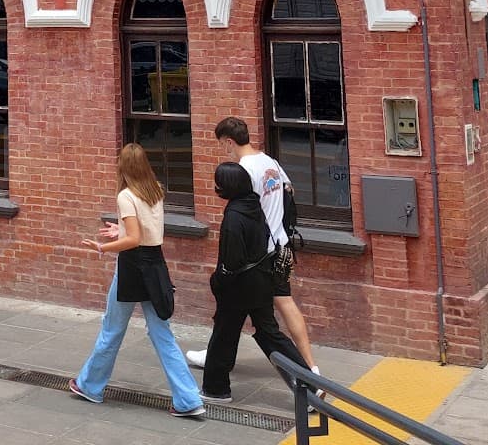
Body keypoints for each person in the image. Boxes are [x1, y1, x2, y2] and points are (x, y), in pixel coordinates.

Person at [69, 143, 205, 419]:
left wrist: (102, 247)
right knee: (162, 334)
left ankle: (90, 385)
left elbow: (133, 239)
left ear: (123, 166)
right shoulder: (155, 190)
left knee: (112, 329)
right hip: (155, 265)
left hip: (132, 267)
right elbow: (145, 229)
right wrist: (121, 228)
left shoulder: (126, 196)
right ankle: (188, 399)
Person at [189, 117, 318, 374]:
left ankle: (308, 371)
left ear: (229, 142)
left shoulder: (243, 170)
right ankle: (310, 367)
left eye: (222, 144)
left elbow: (244, 209)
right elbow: (289, 191)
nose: (223, 150)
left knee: (237, 307)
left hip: (258, 253)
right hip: (281, 245)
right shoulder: (269, 161)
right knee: (280, 303)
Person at [201, 163, 305, 402]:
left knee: (223, 336)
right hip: (261, 278)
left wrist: (219, 280)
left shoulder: (233, 215)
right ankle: (308, 382)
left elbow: (232, 259)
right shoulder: (254, 204)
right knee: (270, 333)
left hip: (238, 287)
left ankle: (216, 389)